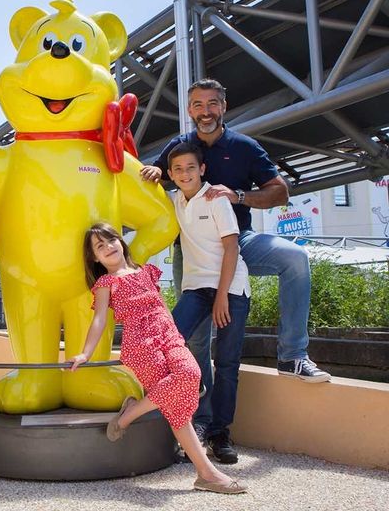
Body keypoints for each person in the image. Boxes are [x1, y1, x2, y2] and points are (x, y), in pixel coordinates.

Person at [140, 78, 330, 458]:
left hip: (237, 244)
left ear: (223, 107)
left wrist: (239, 194)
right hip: (191, 254)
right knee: (194, 343)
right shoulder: (178, 149)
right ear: (189, 109)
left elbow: (280, 191)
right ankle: (201, 421)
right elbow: (154, 178)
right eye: (197, 104)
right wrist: (151, 173)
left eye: (212, 103)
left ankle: (293, 355)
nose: (205, 111)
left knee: (295, 259)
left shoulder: (244, 147)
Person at [70, 223, 246, 495]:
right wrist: (85, 352)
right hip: (141, 344)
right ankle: (207, 474)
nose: (108, 248)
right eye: (99, 247)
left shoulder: (144, 270)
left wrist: (177, 336)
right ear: (94, 258)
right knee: (178, 410)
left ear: (121, 241)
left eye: (110, 240)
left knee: (191, 372)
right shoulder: (106, 282)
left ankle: (130, 413)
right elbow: (100, 319)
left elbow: (161, 305)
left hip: (169, 335)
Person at [167, 142, 250, 464]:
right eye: (178, 169)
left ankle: (219, 433)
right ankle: (193, 424)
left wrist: (221, 298)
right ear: (171, 175)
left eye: (190, 167)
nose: (184, 173)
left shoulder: (216, 200)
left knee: (227, 364)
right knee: (172, 343)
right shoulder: (175, 200)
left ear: (202, 169)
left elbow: (232, 249)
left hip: (230, 287)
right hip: (196, 287)